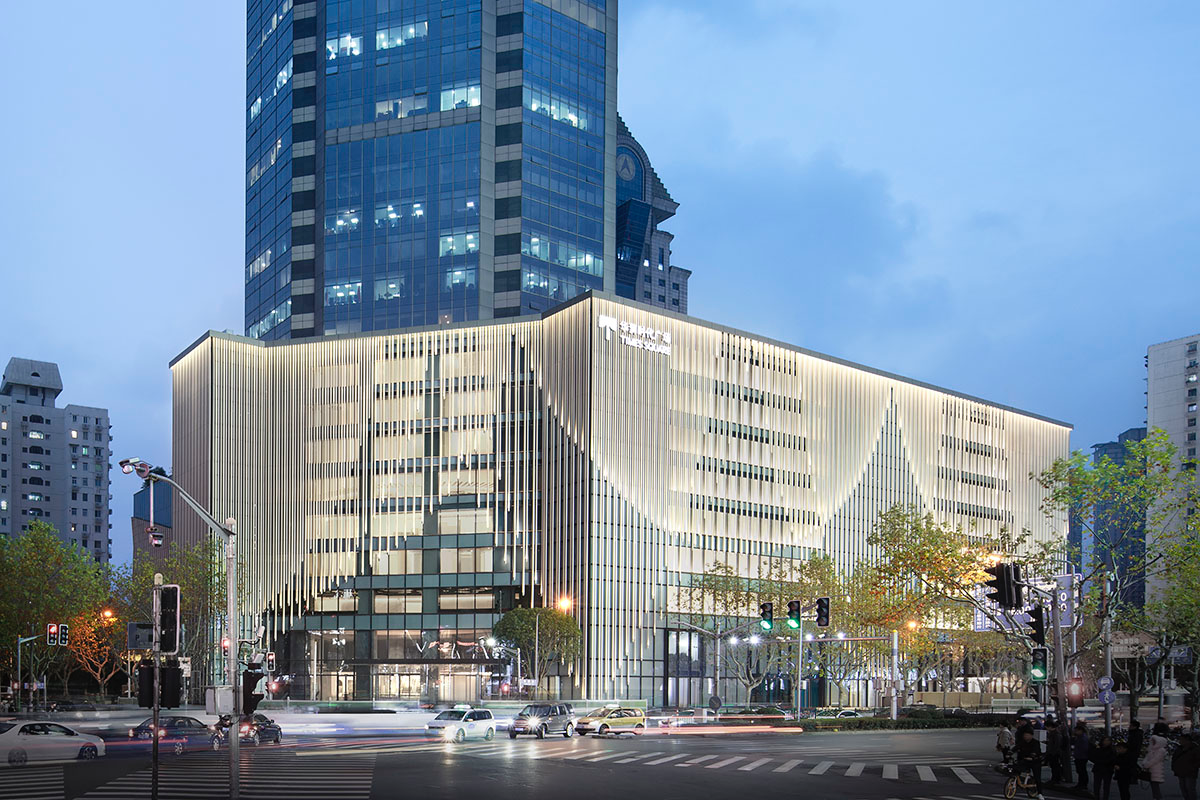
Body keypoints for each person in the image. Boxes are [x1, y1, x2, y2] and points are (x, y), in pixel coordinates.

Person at [1015, 727, 1046, 800]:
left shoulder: (1035, 742)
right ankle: (1017, 782)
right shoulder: (1022, 742)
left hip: (1035, 762)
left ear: (1031, 735)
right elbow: (1016, 747)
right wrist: (1010, 752)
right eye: (1025, 735)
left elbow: (1036, 751)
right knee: (1016, 768)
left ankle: (1040, 793)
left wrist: (1032, 756)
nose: (1026, 736)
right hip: (1026, 760)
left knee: (1037, 777)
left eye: (1027, 735)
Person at [1141, 723, 1170, 800]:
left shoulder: (1161, 750)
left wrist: (1146, 764)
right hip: (1152, 770)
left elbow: (1155, 760)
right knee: (1154, 786)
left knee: (1155, 786)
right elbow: (1148, 757)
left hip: (1155, 770)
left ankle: (1157, 798)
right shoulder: (1152, 750)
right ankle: (1156, 797)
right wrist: (1145, 763)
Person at [1172, 732, 1200, 800]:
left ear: (1187, 740)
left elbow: (1198, 761)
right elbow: (1174, 758)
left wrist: (1192, 768)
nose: (1180, 741)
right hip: (1180, 772)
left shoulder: (1195, 748)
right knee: (1183, 789)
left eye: (1182, 740)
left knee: (1190, 789)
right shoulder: (1179, 748)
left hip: (1190, 772)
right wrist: (1174, 768)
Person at [1091, 734, 1116, 800]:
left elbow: (1112, 759)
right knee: (1096, 785)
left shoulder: (1112, 750)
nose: (1106, 742)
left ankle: (1105, 797)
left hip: (1107, 769)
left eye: (1108, 740)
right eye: (1105, 740)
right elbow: (1093, 757)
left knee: (1106, 786)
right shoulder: (1098, 748)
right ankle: (1096, 796)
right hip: (1098, 768)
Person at [1073, 722, 1092, 790]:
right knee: (1081, 771)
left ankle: (1083, 784)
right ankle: (1081, 784)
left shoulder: (1083, 738)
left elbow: (1083, 749)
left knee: (1082, 771)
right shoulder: (1080, 737)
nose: (1075, 732)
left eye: (1076, 731)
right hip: (1080, 756)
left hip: (1081, 757)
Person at [1045, 719, 1063, 784]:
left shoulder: (1056, 734)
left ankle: (1056, 779)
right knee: (1054, 766)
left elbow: (1057, 745)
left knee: (1055, 766)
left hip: (1055, 753)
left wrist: (1052, 752)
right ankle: (1055, 778)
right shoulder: (1054, 734)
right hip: (1053, 752)